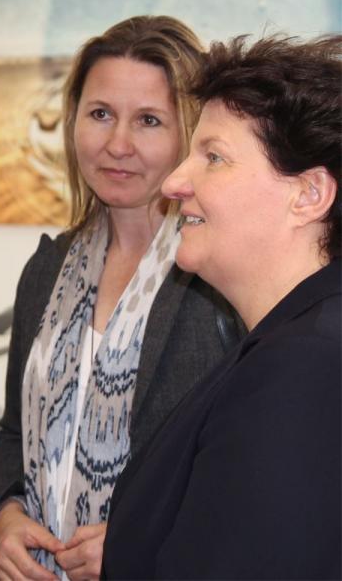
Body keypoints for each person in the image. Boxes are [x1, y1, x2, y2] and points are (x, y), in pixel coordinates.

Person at [0, 16, 241, 581]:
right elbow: (13, 434)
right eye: (100, 114)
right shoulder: (47, 269)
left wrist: (142, 542)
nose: (117, 145)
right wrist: (5, 516)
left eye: (149, 120)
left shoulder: (218, 280)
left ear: (189, 132)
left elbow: (245, 465)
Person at [102, 34, 342, 579]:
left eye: (213, 157)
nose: (174, 182)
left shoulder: (306, 366)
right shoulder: (293, 342)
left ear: (308, 195)